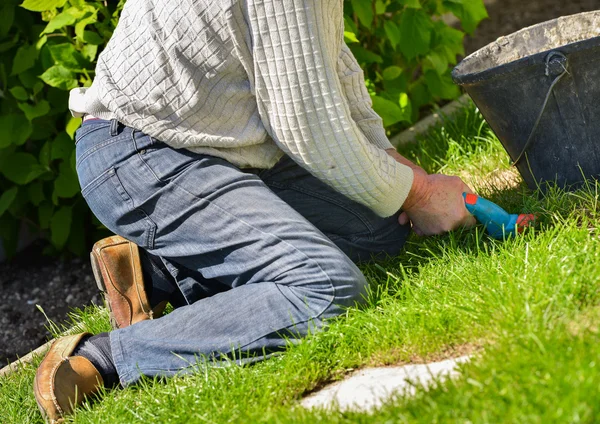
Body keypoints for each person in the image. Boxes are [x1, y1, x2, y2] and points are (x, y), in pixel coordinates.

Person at [33, 0, 475, 421]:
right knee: (325, 289)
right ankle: (105, 357)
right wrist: (417, 193)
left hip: (213, 146)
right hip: (140, 152)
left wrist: (405, 174)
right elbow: (306, 123)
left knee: (381, 225)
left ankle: (156, 272)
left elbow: (332, 63)